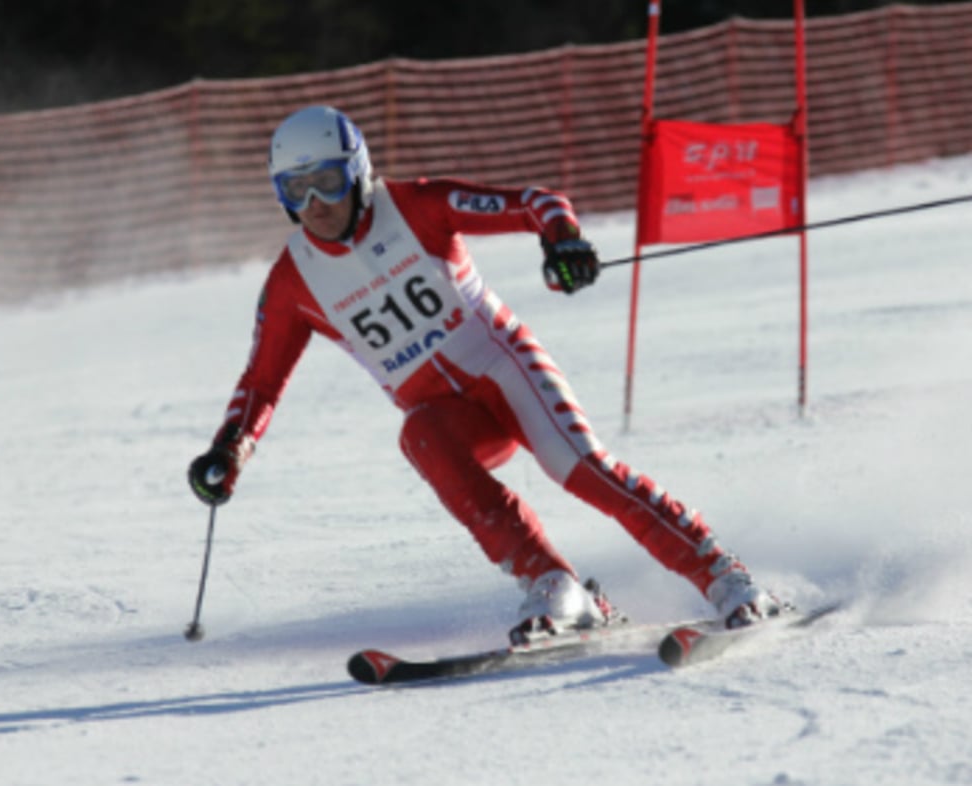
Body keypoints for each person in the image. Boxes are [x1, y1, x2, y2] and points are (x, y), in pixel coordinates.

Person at [188, 105, 780, 644]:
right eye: (296, 188)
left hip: (506, 370)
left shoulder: (418, 205)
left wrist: (563, 242)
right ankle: (554, 585)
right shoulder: (293, 281)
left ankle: (725, 576)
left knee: (582, 470)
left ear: (359, 171)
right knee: (419, 437)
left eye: (328, 180)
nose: (316, 202)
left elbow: (538, 202)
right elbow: (260, 384)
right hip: (449, 418)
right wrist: (229, 450)